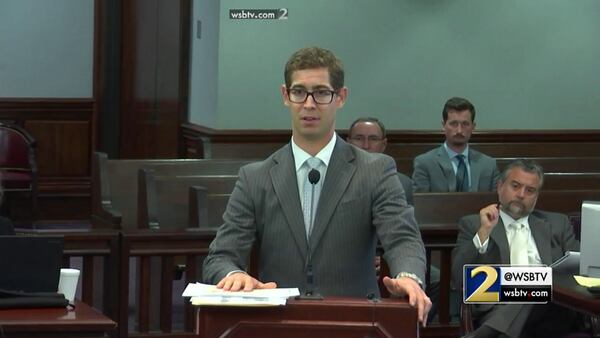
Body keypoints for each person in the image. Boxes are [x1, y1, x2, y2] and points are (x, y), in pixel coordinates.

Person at [203, 46, 432, 324]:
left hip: (355, 322)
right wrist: (233, 275)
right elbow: (220, 257)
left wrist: (408, 277)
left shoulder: (375, 170)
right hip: (277, 323)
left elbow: (403, 238)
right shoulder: (255, 178)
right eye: (299, 92)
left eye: (321, 93)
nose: (309, 104)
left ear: (341, 97)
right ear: (285, 96)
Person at [452, 159, 580, 338]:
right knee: (533, 289)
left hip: (552, 310)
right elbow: (458, 278)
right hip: (498, 307)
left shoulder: (558, 224)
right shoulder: (475, 224)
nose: (521, 194)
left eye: (530, 190)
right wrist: (484, 232)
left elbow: (581, 268)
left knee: (537, 288)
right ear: (500, 187)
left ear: (537, 196)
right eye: (515, 186)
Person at [412, 97, 499, 193]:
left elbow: (495, 203)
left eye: (465, 124)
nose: (459, 130)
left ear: (473, 127)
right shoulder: (425, 163)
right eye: (453, 124)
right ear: (443, 125)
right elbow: (421, 204)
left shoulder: (488, 165)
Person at [347, 117, 413, 205]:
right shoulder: (335, 179)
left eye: (373, 139)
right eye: (359, 139)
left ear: (384, 144)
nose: (366, 146)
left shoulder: (403, 183)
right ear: (348, 143)